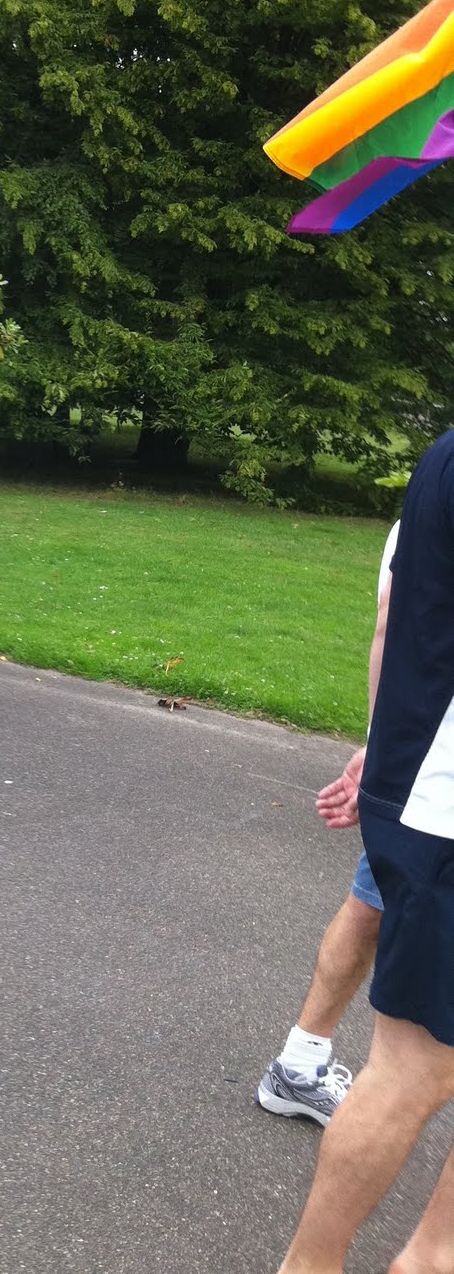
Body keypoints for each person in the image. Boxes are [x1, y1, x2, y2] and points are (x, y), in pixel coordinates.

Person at [276, 433, 454, 1274]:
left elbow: (401, 619)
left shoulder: (443, 455)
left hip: (422, 786)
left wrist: (381, 749)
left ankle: (433, 1255)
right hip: (443, 809)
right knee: (412, 1068)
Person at [257, 523, 397, 1126]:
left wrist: (383, 749)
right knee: (376, 905)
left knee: (373, 903)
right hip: (436, 775)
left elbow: (392, 625)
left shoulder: (422, 507)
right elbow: (391, 624)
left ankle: (301, 1063)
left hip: (423, 767)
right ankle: (305, 1068)